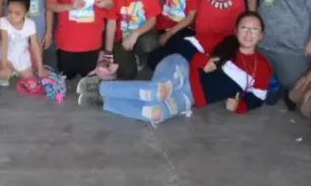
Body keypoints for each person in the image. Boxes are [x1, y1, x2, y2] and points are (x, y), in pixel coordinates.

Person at [79, 12, 272, 125]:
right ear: (236, 30)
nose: (248, 34)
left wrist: (240, 106)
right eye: (244, 28)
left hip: (192, 96)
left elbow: (257, 97)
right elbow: (182, 44)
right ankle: (101, 87)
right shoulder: (222, 41)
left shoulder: (261, 67)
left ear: (261, 35)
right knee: (160, 90)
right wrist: (200, 60)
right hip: (180, 67)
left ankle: (103, 101)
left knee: (156, 114)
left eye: (254, 29)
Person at [106, 0, 162, 80]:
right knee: (126, 75)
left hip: (143, 33)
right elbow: (111, 23)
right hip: (121, 36)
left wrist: (135, 34)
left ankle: (138, 54)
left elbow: (152, 18)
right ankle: (130, 57)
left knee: (149, 43)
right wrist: (108, 53)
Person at [0, 0, 46, 89]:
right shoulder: (4, 21)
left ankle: (16, 71)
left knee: (32, 84)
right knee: (3, 77)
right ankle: (10, 69)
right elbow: (4, 43)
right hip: (6, 56)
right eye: (9, 12)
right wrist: (3, 65)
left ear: (26, 13)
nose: (12, 16)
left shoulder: (30, 24)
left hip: (22, 56)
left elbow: (35, 45)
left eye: (17, 13)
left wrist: (40, 68)